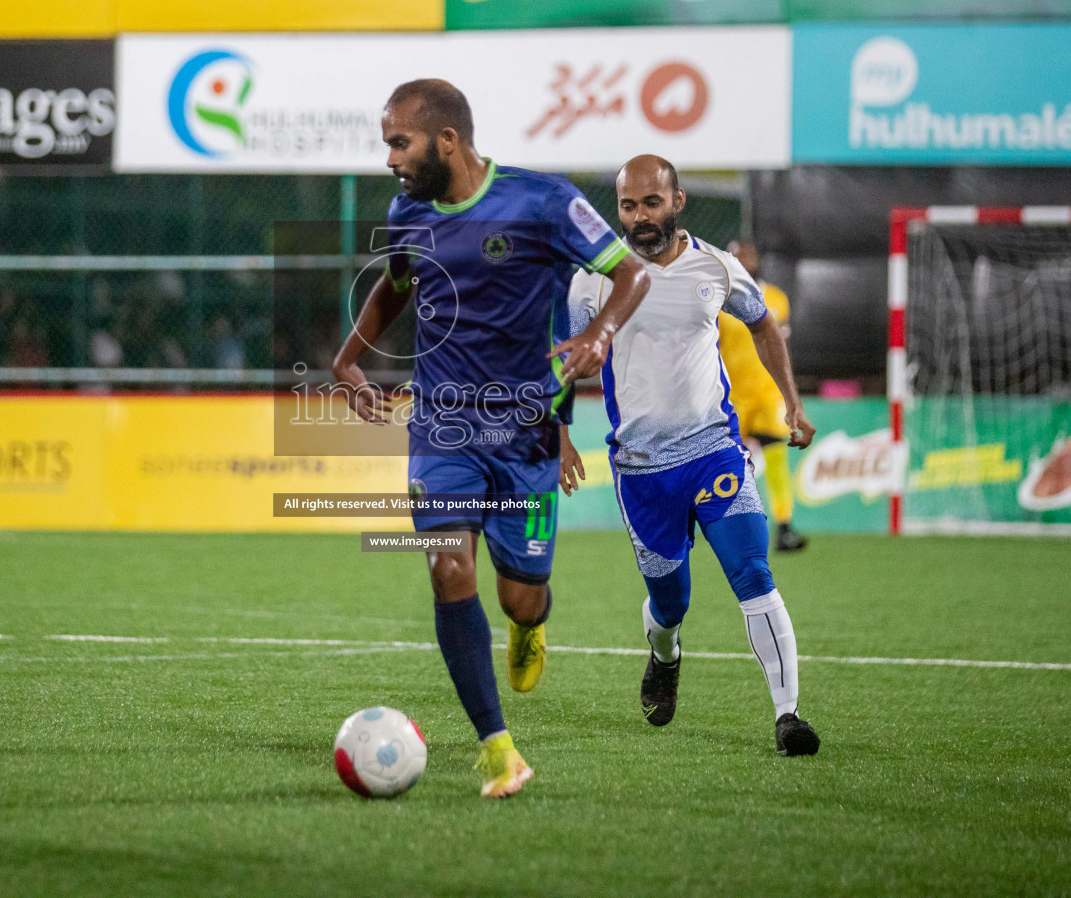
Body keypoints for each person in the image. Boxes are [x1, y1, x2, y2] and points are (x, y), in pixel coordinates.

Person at [333, 80, 649, 798]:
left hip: (526, 432)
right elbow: (398, 283)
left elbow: (628, 273)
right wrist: (350, 357)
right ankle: (497, 747)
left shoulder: (541, 201)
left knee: (521, 597)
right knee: (447, 568)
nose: (390, 159)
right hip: (442, 424)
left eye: (399, 142)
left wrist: (599, 334)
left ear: (447, 140)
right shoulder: (407, 210)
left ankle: (530, 624)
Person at [561, 155, 820, 756]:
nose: (639, 217)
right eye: (628, 205)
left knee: (753, 572)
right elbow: (564, 359)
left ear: (677, 201)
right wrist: (560, 435)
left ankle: (789, 717)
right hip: (643, 472)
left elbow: (763, 327)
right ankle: (664, 653)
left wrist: (792, 403)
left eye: (651, 203)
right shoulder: (591, 282)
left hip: (714, 452)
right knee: (670, 602)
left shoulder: (718, 267)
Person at [718, 240, 807, 552]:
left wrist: (791, 394)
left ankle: (784, 528)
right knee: (726, 466)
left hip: (768, 395)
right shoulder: (718, 300)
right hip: (732, 398)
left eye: (749, 255)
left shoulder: (777, 299)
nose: (744, 260)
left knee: (777, 460)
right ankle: (727, 527)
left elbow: (784, 349)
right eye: (737, 256)